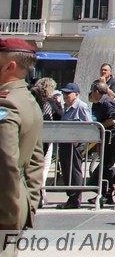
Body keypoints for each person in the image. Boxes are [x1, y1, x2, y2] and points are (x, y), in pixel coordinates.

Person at [0, 38, 44, 240]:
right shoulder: (28, 101)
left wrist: (9, 215)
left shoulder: (6, 104)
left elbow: (7, 164)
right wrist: (29, 203)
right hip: (15, 204)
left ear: (10, 66)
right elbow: (36, 161)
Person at [88, 80, 115, 207]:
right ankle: (105, 193)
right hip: (107, 137)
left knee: (107, 165)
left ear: (97, 91)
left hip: (113, 137)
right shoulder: (100, 102)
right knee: (105, 165)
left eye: (92, 90)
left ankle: (108, 192)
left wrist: (98, 127)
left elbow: (112, 120)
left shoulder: (107, 102)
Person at [56, 83, 89, 209]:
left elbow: (89, 125)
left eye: (68, 93)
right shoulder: (65, 107)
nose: (65, 96)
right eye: (64, 93)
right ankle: (71, 197)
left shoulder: (81, 106)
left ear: (76, 94)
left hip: (75, 144)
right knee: (66, 170)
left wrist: (80, 142)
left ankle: (75, 199)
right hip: (65, 143)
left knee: (74, 170)